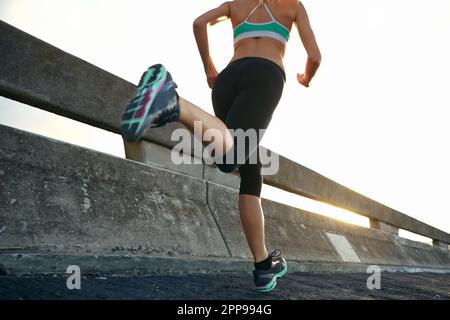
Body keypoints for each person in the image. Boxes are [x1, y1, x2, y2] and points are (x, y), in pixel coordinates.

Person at [121, 0, 321, 293]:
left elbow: (199, 23)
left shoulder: (236, 4)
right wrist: (306, 77)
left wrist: (210, 69)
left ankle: (263, 266)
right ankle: (173, 102)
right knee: (230, 157)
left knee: (250, 171)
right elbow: (314, 56)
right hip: (264, 76)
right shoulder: (292, 5)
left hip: (228, 80)